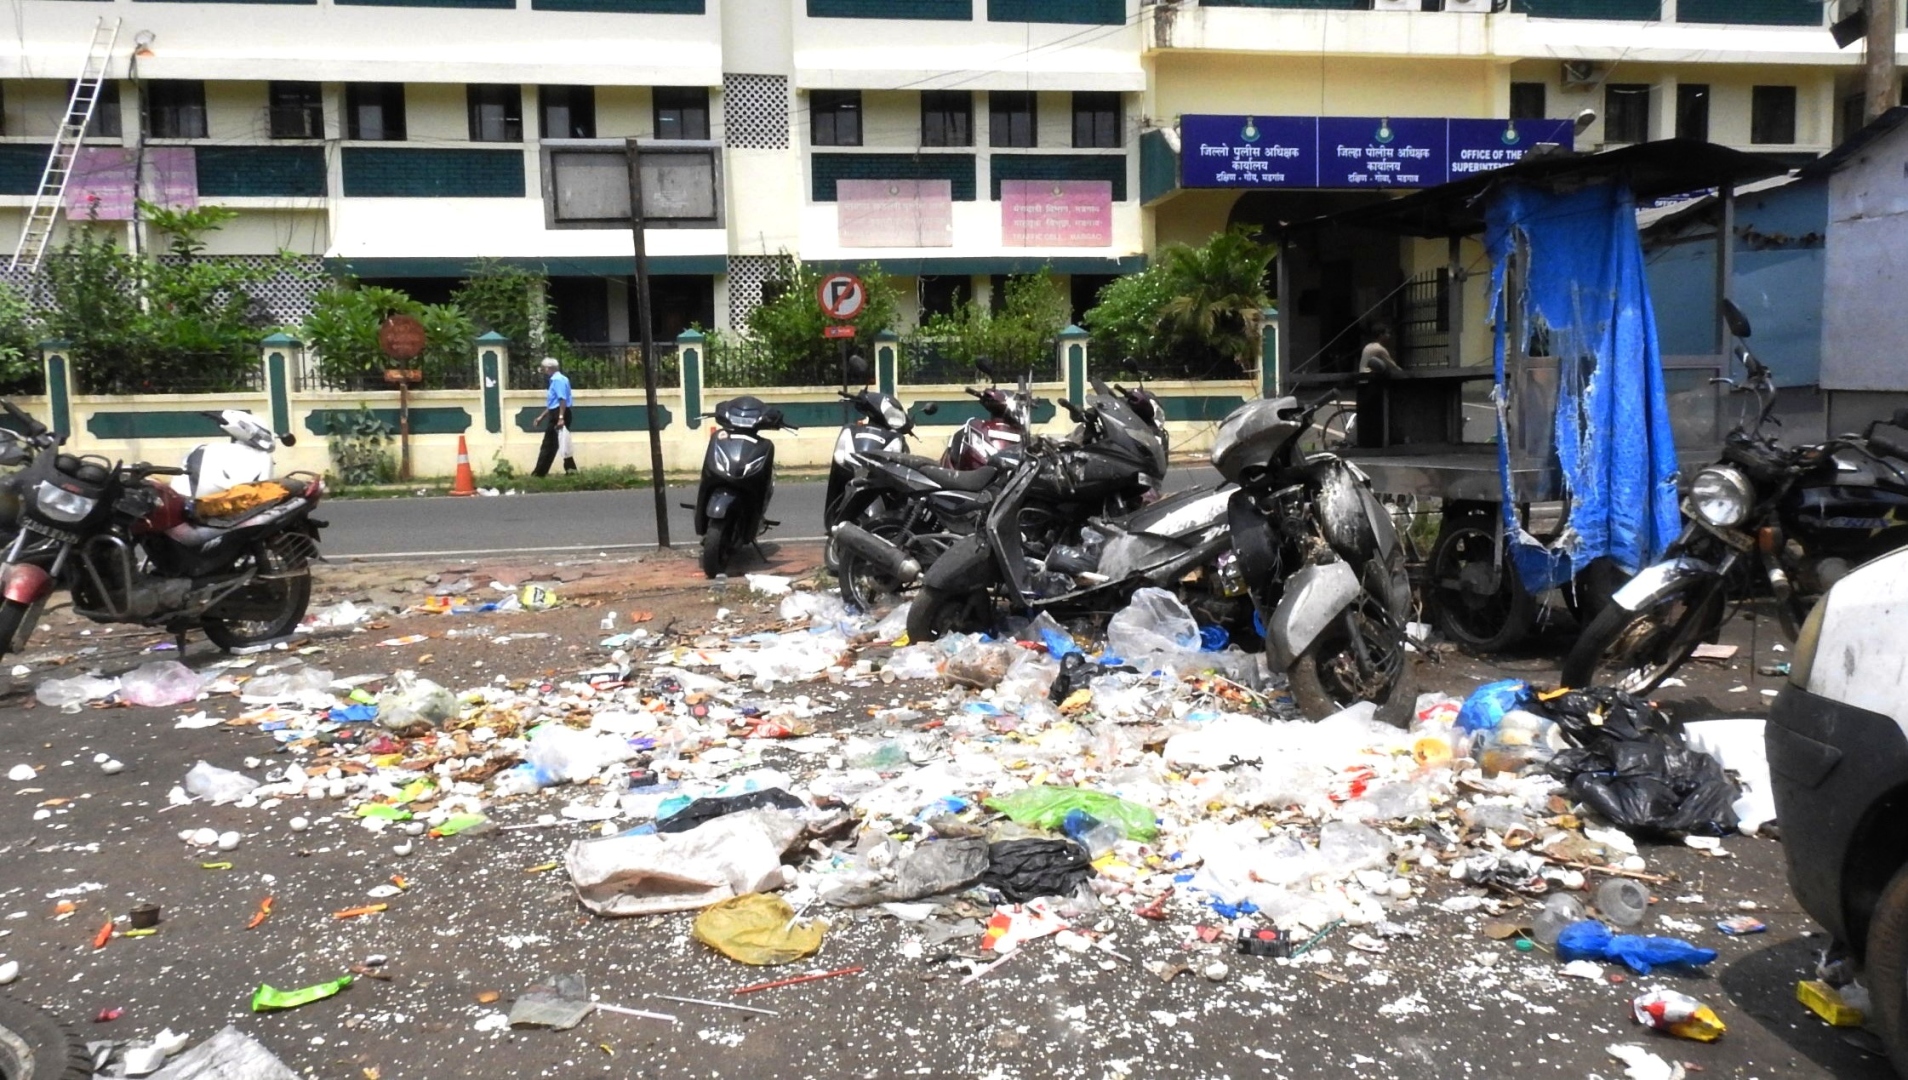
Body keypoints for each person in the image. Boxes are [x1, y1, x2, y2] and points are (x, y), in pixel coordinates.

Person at [1355, 324, 1402, 449]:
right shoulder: (1379, 349)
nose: (1389, 336)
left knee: (1365, 415)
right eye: (1387, 333)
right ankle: (1377, 443)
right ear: (1380, 335)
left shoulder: (1368, 347)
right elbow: (1392, 365)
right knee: (1375, 413)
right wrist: (1404, 374)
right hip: (1371, 384)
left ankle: (1366, 443)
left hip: (1362, 383)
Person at [532, 357, 576, 477]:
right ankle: (571, 470)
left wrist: (560, 418)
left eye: (543, 368)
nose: (543, 371)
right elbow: (553, 403)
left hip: (559, 414)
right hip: (558, 412)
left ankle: (539, 473)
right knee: (561, 442)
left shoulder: (557, 380)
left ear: (548, 368)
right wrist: (542, 416)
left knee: (548, 444)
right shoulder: (560, 379)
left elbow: (562, 400)